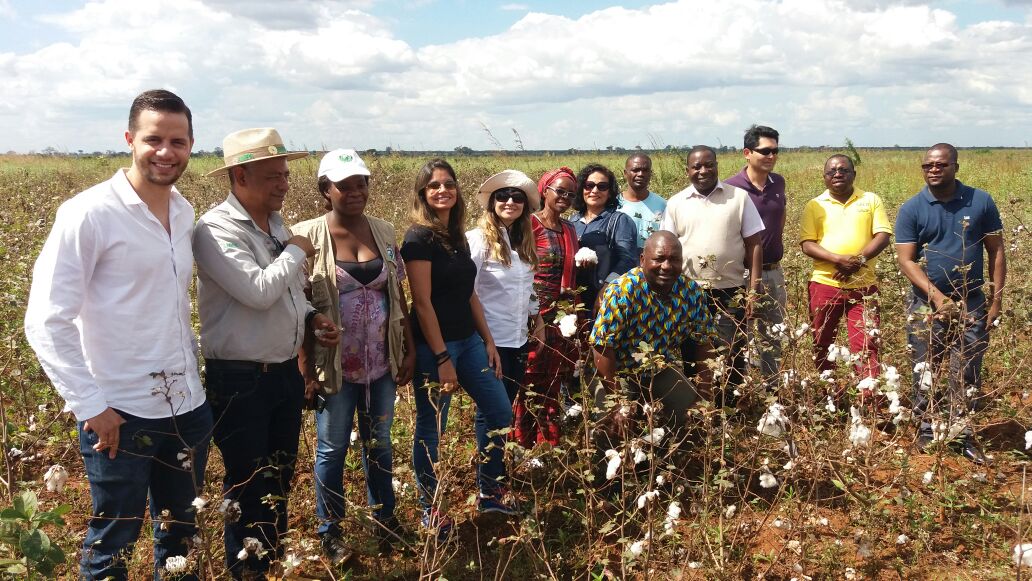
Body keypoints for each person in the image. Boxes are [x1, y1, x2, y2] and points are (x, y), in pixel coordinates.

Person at [24, 89, 211, 581]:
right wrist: (91, 406)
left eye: (178, 141)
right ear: (130, 139)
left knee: (181, 536)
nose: (165, 152)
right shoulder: (89, 213)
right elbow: (46, 319)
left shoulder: (184, 212)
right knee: (114, 544)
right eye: (153, 139)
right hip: (119, 415)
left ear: (191, 146)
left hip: (186, 407)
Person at [193, 128, 340, 578]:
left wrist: (312, 317)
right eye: (274, 175)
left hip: (281, 373)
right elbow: (258, 291)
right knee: (247, 479)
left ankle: (270, 561)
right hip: (240, 378)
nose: (284, 184)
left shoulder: (275, 224)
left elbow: (288, 293)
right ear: (240, 176)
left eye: (286, 174)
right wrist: (296, 250)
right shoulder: (215, 230)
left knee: (279, 475)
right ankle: (247, 570)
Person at [292, 149, 416, 559]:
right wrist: (306, 371)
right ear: (325, 190)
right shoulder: (305, 236)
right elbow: (297, 306)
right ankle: (331, 532)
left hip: (381, 363)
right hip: (333, 368)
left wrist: (408, 349)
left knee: (379, 443)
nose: (355, 192)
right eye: (344, 185)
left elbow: (397, 293)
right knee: (332, 449)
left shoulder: (383, 230)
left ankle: (386, 522)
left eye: (361, 183)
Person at [401, 159, 516, 537]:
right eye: (434, 185)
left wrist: (487, 340)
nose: (442, 190)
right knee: (431, 428)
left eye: (448, 184)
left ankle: (489, 490)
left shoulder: (456, 236)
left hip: (469, 342)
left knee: (500, 410)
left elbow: (470, 295)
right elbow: (422, 303)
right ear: (423, 193)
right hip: (437, 346)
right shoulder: (418, 239)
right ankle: (431, 509)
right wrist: (441, 357)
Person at [895, 143, 1006, 464]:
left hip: (972, 300)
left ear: (955, 167)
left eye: (940, 165)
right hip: (925, 304)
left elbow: (996, 250)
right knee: (925, 366)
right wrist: (938, 298)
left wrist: (996, 301)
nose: (933, 170)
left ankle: (963, 433)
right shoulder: (912, 208)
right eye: (927, 165)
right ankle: (926, 429)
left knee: (967, 368)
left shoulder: (980, 201)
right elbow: (906, 261)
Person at [661, 146, 763, 409]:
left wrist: (753, 290)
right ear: (687, 170)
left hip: (731, 289)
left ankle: (730, 407)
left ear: (717, 166)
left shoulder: (738, 198)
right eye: (696, 166)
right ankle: (698, 407)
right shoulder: (676, 203)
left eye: (709, 165)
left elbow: (754, 244)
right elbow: (667, 247)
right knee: (691, 350)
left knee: (732, 350)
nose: (703, 171)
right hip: (689, 292)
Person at [591, 231, 716, 433]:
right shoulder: (623, 291)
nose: (666, 266)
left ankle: (669, 450)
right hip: (618, 373)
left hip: (659, 370)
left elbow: (704, 343)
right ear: (642, 259)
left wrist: (704, 396)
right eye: (659, 259)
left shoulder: (691, 293)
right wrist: (617, 404)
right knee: (611, 429)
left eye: (674, 259)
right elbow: (602, 346)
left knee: (694, 420)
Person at [800, 155, 892, 386]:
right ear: (824, 177)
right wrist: (838, 259)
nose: (837, 174)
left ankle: (868, 398)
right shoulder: (814, 205)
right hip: (825, 284)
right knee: (821, 341)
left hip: (864, 287)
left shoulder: (870, 200)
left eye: (843, 170)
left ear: (854, 174)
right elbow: (807, 244)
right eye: (831, 171)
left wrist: (858, 261)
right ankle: (829, 393)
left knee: (867, 344)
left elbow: (883, 235)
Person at [466, 170, 545, 404]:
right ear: (492, 202)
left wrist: (538, 320)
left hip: (518, 339)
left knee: (506, 405)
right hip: (489, 339)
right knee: (492, 410)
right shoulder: (478, 239)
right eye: (502, 196)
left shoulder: (524, 241)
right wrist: (485, 341)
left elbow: (527, 287)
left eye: (517, 197)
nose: (510, 202)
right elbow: (466, 290)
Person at [519, 167, 581, 448]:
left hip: (561, 317)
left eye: (571, 194)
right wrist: (533, 315)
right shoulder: (529, 225)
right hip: (531, 315)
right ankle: (521, 444)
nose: (565, 197)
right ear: (544, 191)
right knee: (527, 380)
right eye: (560, 191)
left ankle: (547, 445)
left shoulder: (569, 229)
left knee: (553, 379)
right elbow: (520, 270)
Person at [724, 125, 788, 388]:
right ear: (747, 153)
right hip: (741, 274)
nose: (771, 156)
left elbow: (780, 220)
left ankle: (772, 389)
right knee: (741, 333)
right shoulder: (731, 188)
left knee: (773, 334)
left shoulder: (778, 183)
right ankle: (743, 390)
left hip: (774, 271)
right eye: (765, 151)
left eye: (775, 151)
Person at [570, 163, 638, 311]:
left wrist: (606, 290)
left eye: (602, 186)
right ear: (581, 188)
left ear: (610, 192)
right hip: (575, 298)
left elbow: (627, 260)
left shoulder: (619, 221)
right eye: (589, 185)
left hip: (605, 298)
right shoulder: (572, 221)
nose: (594, 191)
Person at [617, 153, 666, 254]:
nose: (640, 174)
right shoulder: (613, 204)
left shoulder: (662, 204)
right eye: (635, 170)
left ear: (650, 174)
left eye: (645, 170)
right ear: (625, 173)